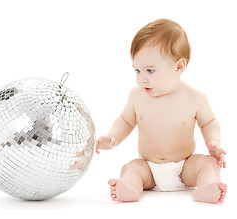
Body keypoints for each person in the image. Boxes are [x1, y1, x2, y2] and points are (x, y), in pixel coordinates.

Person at [95, 19, 227, 204]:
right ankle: (129, 187)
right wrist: (113, 137)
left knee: (208, 164)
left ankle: (207, 187)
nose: (142, 79)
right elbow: (125, 120)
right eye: (137, 70)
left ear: (179, 66)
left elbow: (209, 122)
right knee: (131, 168)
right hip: (149, 167)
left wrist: (214, 142)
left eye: (150, 70)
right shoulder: (136, 96)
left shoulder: (194, 97)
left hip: (185, 167)